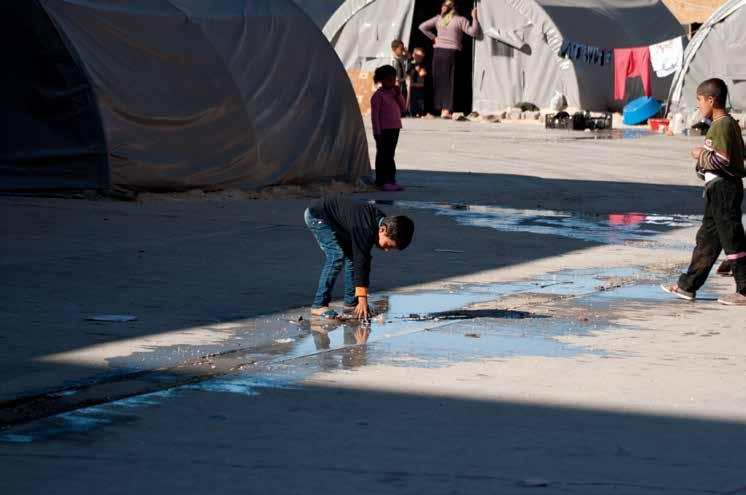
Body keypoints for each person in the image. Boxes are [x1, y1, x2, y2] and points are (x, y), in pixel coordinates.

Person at [661, 78, 746, 305]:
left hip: (724, 189)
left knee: (732, 239)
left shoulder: (723, 125)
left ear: (711, 100)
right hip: (716, 189)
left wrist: (700, 155)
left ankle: (745, 289)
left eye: (699, 101)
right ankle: (688, 286)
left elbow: (723, 159)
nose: (698, 106)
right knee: (707, 240)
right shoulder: (724, 125)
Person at [304, 197, 415, 320]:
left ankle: (350, 304)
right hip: (318, 216)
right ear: (383, 229)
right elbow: (361, 260)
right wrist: (363, 299)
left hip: (341, 222)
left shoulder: (381, 222)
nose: (387, 250)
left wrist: (360, 299)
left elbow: (363, 259)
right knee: (337, 256)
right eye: (388, 245)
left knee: (352, 258)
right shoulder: (366, 227)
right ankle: (319, 304)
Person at [419, 0, 480, 119]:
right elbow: (474, 32)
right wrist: (475, 18)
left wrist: (434, 38)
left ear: (450, 7)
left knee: (440, 81)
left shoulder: (439, 19)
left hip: (439, 53)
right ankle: (445, 110)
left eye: (444, 5)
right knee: (449, 82)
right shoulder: (459, 20)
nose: (441, 7)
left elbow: (422, 27)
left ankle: (442, 109)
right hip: (451, 53)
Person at [371, 65, 407, 191]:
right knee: (382, 156)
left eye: (394, 80)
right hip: (383, 131)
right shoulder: (377, 96)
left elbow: (404, 108)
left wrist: (399, 95)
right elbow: (374, 117)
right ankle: (381, 181)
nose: (392, 83)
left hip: (395, 128)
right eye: (389, 80)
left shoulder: (394, 93)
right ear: (381, 80)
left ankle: (391, 180)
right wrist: (377, 132)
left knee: (390, 155)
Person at [406, 47, 428, 117]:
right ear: (413, 55)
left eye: (421, 56)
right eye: (418, 56)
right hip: (412, 86)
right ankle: (412, 113)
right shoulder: (409, 64)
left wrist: (418, 70)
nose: (420, 58)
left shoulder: (423, 64)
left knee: (420, 101)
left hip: (420, 86)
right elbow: (408, 75)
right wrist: (414, 70)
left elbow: (423, 73)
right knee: (412, 101)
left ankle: (420, 113)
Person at [390, 39, 408, 107]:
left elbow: (408, 57)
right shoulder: (394, 60)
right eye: (401, 49)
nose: (402, 50)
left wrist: (405, 51)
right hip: (397, 81)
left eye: (403, 48)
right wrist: (396, 80)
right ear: (394, 49)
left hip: (401, 80)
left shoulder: (400, 58)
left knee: (402, 95)